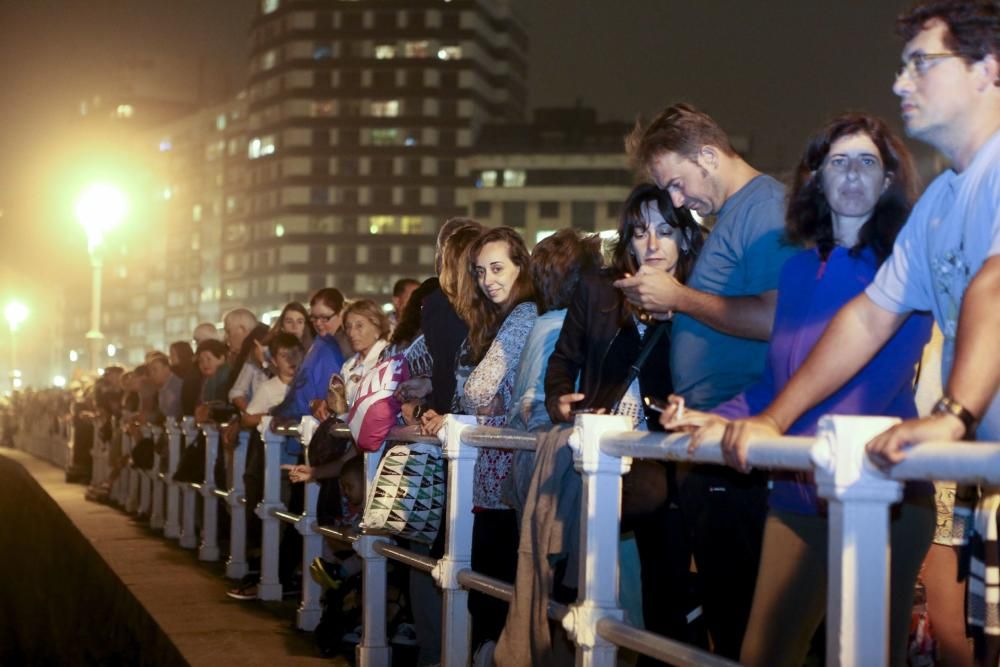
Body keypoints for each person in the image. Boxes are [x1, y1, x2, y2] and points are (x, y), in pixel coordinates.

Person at [716, 2, 999, 663]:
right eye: (902, 68)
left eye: (921, 64)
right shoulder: (943, 203)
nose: (901, 83)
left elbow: (993, 283)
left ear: (988, 69)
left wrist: (951, 416)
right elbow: (869, 316)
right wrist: (773, 420)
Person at [664, 112, 933, 667]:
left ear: (888, 181)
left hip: (879, 491)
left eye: (868, 162)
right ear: (816, 178)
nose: (853, 174)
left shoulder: (905, 266)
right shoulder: (797, 270)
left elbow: (874, 386)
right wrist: (718, 417)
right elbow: (776, 379)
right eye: (839, 162)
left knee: (865, 657)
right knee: (765, 652)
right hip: (796, 490)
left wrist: (770, 427)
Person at [619, 103, 799, 658]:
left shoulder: (764, 207)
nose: (677, 202)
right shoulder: (739, 215)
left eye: (676, 183)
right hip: (714, 438)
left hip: (738, 446)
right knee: (726, 612)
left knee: (741, 616)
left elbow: (774, 317)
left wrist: (680, 298)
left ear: (708, 155)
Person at [544, 184, 705, 648]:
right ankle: (575, 592)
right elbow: (562, 360)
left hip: (670, 451)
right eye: (640, 232)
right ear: (627, 239)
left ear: (686, 237)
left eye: (665, 231)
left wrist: (675, 306)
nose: (652, 245)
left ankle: (577, 586)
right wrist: (559, 398)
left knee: (666, 592)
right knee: (615, 576)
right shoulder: (598, 287)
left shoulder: (699, 293)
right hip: (606, 445)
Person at [421, 225, 538, 663]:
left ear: (521, 266)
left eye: (497, 268)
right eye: (480, 271)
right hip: (495, 475)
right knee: (488, 589)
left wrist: (467, 397)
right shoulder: (507, 317)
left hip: (502, 477)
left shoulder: (523, 315)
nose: (488, 279)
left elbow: (476, 390)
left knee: (492, 593)